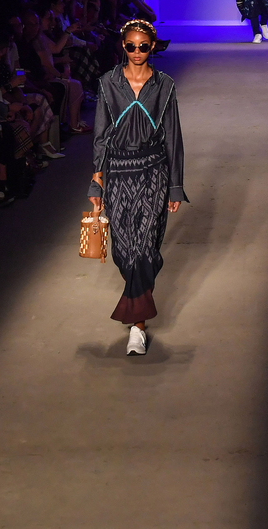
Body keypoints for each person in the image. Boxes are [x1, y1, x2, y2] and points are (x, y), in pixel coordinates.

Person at [88, 20, 187, 356]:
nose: (137, 52)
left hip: (152, 173)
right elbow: (100, 137)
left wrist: (174, 186)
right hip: (117, 172)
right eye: (131, 46)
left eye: (143, 46)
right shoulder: (107, 84)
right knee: (125, 251)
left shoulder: (165, 86)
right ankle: (139, 311)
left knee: (146, 246)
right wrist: (96, 182)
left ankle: (138, 326)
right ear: (123, 46)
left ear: (153, 47)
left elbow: (173, 136)